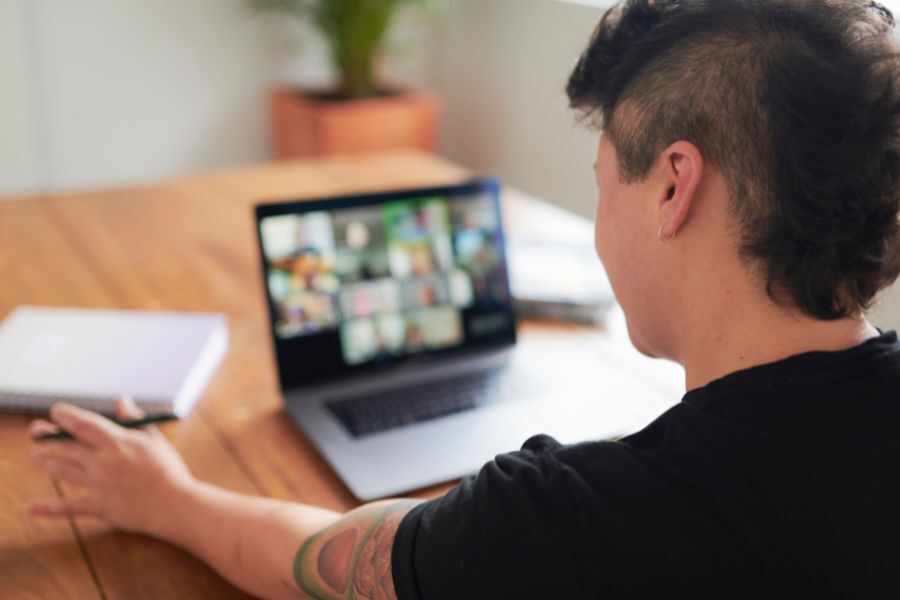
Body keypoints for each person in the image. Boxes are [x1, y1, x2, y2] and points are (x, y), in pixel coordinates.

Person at [28, 0, 900, 597]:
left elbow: (313, 560)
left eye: (602, 182)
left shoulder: (566, 524)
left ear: (674, 187)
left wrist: (167, 497)